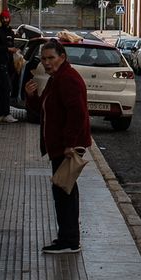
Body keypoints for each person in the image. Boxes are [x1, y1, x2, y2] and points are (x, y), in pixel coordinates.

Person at [38, 39, 91, 254]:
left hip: (66, 146)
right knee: (64, 189)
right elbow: (45, 108)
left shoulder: (67, 79)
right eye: (43, 59)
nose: (47, 63)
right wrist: (31, 95)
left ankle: (69, 240)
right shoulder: (57, 78)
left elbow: (76, 113)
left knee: (64, 190)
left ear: (62, 57)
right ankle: (67, 237)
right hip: (60, 144)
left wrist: (70, 143)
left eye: (51, 58)